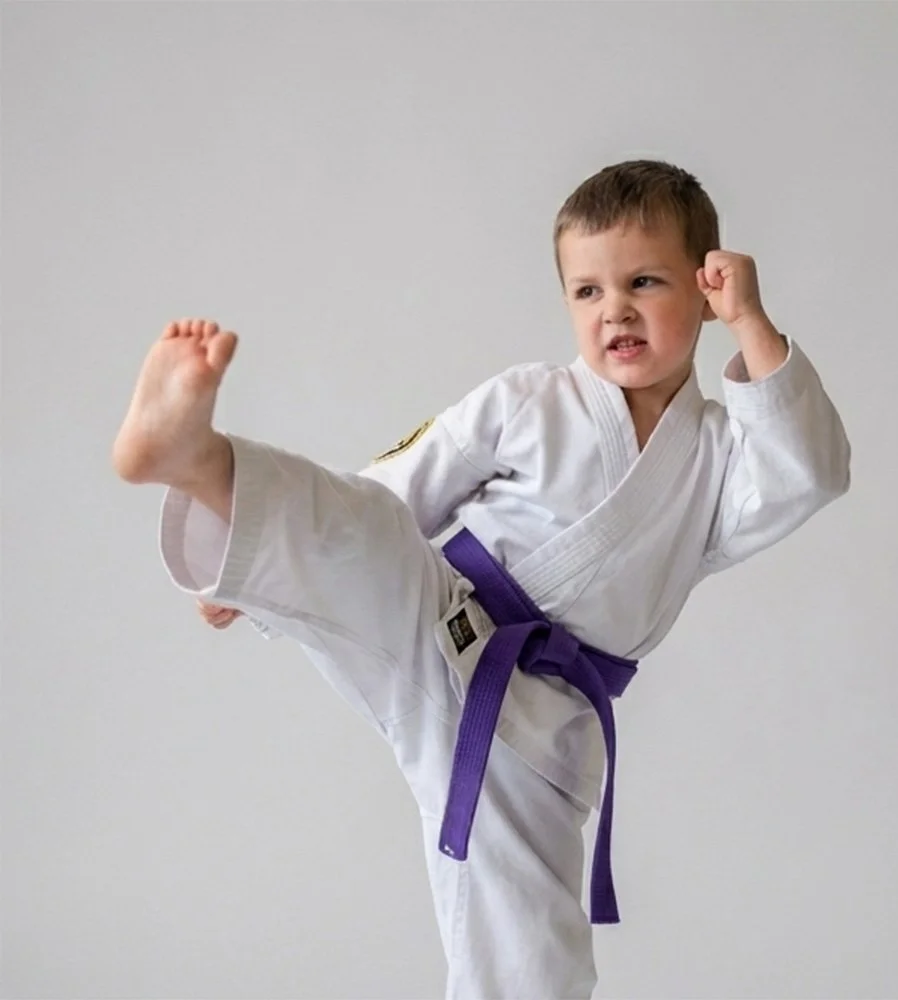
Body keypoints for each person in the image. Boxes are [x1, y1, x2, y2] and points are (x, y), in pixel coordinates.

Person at [112, 159, 850, 999]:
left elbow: (811, 473)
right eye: (587, 291)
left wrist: (753, 322)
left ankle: (223, 489)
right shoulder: (529, 398)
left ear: (707, 285)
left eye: (644, 281)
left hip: (539, 728)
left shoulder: (719, 460)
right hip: (443, 619)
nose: (615, 310)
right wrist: (251, 569)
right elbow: (396, 485)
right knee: (372, 532)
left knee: (530, 950)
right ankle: (204, 467)